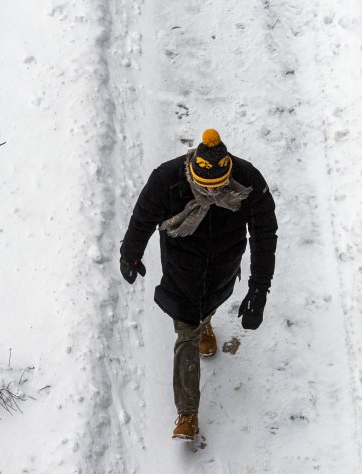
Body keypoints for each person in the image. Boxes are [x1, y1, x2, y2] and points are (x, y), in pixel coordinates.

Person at [119, 129, 278, 440]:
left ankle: (207, 322)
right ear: (192, 170)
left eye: (219, 188)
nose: (212, 194)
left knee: (209, 305)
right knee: (186, 335)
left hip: (223, 267)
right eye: (205, 188)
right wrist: (130, 253)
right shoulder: (166, 179)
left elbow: (264, 235)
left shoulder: (248, 181)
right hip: (182, 272)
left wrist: (259, 289)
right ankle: (187, 413)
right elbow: (142, 217)